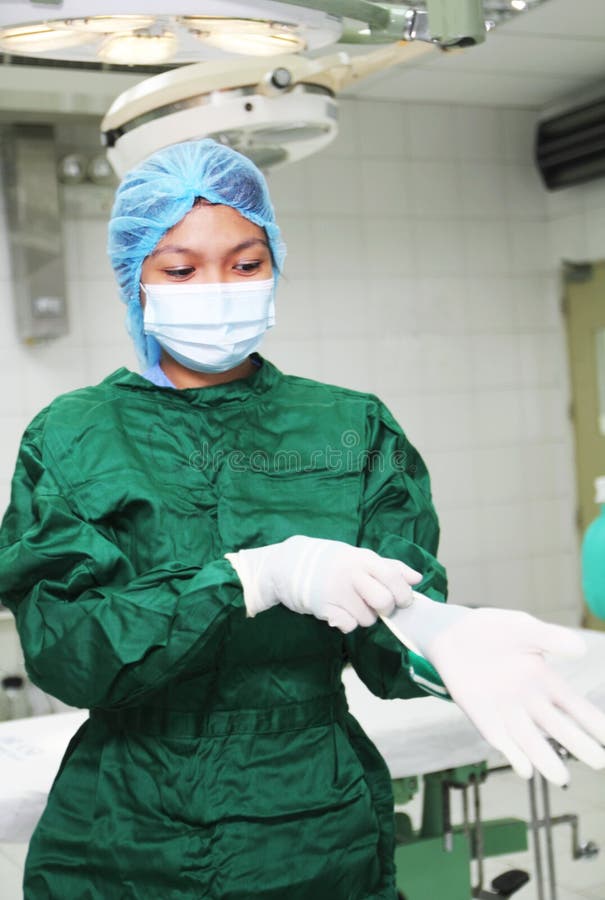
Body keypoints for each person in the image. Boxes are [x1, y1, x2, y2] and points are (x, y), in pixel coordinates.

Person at [0, 139, 603, 900]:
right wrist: (250, 578)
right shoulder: (74, 435)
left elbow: (383, 648)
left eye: (246, 264)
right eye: (181, 269)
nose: (217, 287)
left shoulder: (349, 427)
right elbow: (68, 652)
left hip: (314, 828)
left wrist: (436, 634)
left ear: (275, 264)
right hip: (125, 837)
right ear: (136, 279)